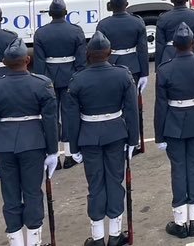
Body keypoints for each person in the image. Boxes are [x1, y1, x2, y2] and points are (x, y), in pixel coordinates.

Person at [63, 31, 139, 246]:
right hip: (116, 134)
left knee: (95, 185)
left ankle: (97, 237)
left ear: (88, 54)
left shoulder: (78, 79)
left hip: (89, 137)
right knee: (115, 182)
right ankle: (115, 235)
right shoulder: (122, 75)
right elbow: (132, 111)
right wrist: (133, 140)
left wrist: (73, 147)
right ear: (109, 53)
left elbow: (71, 118)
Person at [0, 38, 58, 246]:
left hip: (4, 146)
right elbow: (50, 122)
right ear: (27, 60)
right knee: (32, 193)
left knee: (10, 196)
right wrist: (53, 151)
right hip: (33, 144)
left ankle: (16, 242)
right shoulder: (41, 83)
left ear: (4, 63)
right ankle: (33, 242)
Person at [154, 24, 194, 238]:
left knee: (178, 169)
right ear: (193, 43)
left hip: (173, 124)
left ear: (174, 45)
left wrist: (159, 135)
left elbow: (160, 106)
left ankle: (180, 221)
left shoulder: (164, 69)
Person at [32, 0, 87, 169]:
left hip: (49, 77)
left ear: (50, 14)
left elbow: (39, 62)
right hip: (70, 76)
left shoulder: (41, 33)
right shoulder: (76, 31)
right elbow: (81, 61)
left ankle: (53, 155)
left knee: (50, 116)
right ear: (65, 12)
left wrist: (40, 81)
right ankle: (70, 155)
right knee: (70, 114)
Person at [97, 0, 149, 98]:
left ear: (110, 6)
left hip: (111, 64)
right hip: (133, 66)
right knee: (132, 99)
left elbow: (99, 50)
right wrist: (144, 73)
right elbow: (142, 50)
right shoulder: (137, 22)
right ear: (126, 5)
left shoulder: (103, 24)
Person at [155, 0, 194, 66]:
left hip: (169, 55)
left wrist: (158, 65)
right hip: (190, 54)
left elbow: (160, 44)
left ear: (172, 0)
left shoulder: (163, 17)